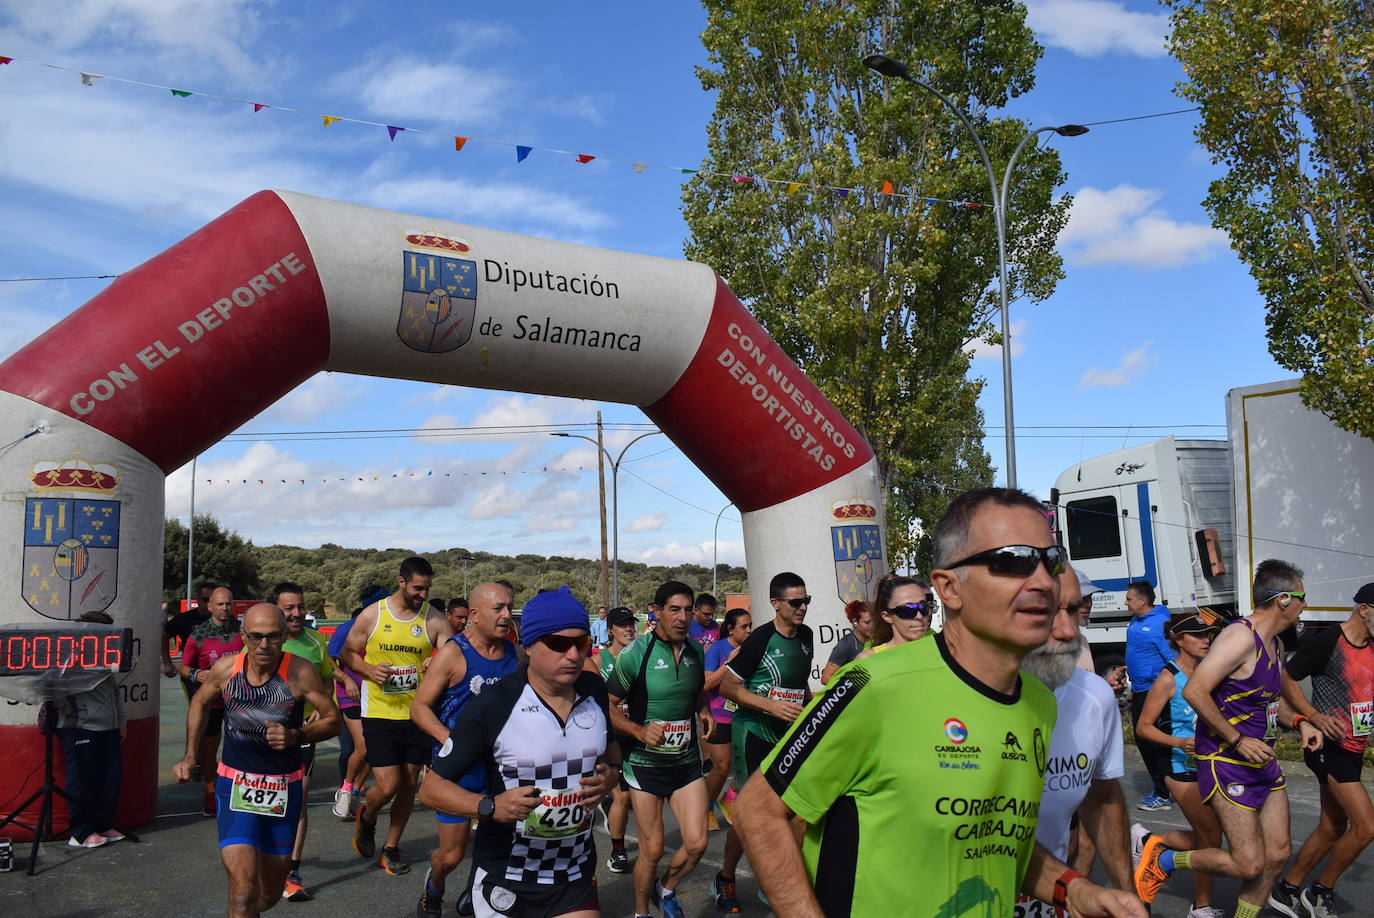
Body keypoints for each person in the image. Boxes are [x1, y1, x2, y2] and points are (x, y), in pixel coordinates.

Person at [731, 487, 1146, 918]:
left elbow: (1001, 842)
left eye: (1050, 560)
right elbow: (758, 811)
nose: (1042, 580)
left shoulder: (1040, 702)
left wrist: (1073, 890)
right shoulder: (875, 686)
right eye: (1012, 561)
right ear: (948, 589)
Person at [1134, 559, 1323, 918]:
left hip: (1261, 761)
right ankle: (1165, 858)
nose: (1305, 605)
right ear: (1283, 599)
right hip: (1227, 761)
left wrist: (1300, 722)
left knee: (1278, 853)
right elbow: (1196, 691)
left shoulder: (1276, 644)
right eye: (1302, 596)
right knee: (1249, 863)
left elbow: (1269, 704)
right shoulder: (1239, 636)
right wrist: (1237, 740)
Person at [417, 586, 617, 918]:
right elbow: (431, 789)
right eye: (557, 644)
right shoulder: (493, 706)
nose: (572, 654)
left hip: (574, 874)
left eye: (580, 643)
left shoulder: (593, 689)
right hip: (508, 876)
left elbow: (611, 751)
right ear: (529, 646)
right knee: (450, 854)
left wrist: (611, 774)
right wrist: (489, 806)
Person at [174, 603, 340, 918]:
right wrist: (190, 755)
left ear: (283, 637)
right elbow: (199, 701)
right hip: (235, 787)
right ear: (243, 635)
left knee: (269, 894)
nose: (264, 645)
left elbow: (334, 721)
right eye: (256, 637)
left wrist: (297, 735)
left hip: (282, 791)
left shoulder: (299, 671)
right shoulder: (227, 669)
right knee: (241, 891)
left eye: (273, 637)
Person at [1016, 567, 1134, 915]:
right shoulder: (916, 696)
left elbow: (1102, 796)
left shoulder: (1095, 697)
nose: (1069, 631)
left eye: (1073, 609)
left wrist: (1127, 895)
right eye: (1046, 611)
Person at [413, 582, 520, 918]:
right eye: (498, 608)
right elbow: (419, 709)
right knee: (452, 854)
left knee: (504, 846)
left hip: (501, 767)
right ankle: (435, 886)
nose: (506, 616)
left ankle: (479, 892)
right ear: (474, 615)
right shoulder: (453, 653)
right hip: (459, 772)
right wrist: (453, 744)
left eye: (509, 608)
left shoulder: (516, 656)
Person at [607, 581, 713, 918]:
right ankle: (641, 913)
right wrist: (638, 730)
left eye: (687, 610)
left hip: (685, 762)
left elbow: (696, 691)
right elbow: (606, 706)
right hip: (644, 765)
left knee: (697, 843)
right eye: (674, 610)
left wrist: (704, 710)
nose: (682, 617)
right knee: (651, 850)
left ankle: (665, 889)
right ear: (656, 612)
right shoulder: (636, 654)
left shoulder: (696, 651)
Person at [341, 556, 453, 875]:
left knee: (407, 783)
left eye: (427, 589)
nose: (423, 594)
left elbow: (450, 651)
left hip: (417, 713)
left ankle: (390, 847)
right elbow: (347, 652)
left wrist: (439, 661)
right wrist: (367, 669)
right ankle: (368, 814)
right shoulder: (374, 614)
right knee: (387, 785)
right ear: (401, 582)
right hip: (379, 709)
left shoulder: (434, 619)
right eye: (418, 588)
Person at [1269, 583, 1374, 918]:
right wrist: (1311, 717)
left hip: (1354, 746)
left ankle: (1286, 890)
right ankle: (1320, 890)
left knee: (1332, 827)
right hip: (1327, 745)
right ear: (1364, 609)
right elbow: (1288, 676)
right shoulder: (1331, 640)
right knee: (1367, 826)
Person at [716, 572, 814, 911]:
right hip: (754, 733)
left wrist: (811, 709)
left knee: (797, 811)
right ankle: (726, 877)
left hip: (787, 735)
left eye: (806, 601)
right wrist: (770, 705)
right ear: (775, 603)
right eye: (795, 602)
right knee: (748, 815)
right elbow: (727, 688)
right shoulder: (760, 639)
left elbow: (798, 685)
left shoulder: (806, 636)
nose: (803, 608)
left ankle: (777, 881)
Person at [1133, 613, 1224, 918]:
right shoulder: (1168, 677)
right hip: (1177, 765)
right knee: (1211, 836)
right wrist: (1178, 743)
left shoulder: (1211, 673)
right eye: (1198, 636)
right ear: (1179, 640)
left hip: (1210, 764)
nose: (1206, 641)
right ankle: (1201, 907)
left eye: (1208, 635)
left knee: (1212, 834)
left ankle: (1152, 844)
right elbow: (1143, 727)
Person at [275, 582, 341, 902]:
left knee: (298, 800)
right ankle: (266, 861)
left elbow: (327, 678)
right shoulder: (261, 641)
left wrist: (322, 708)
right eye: (289, 608)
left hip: (303, 733)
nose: (297, 613)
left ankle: (292, 872)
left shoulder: (315, 641)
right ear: (276, 609)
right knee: (266, 803)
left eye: (300, 607)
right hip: (264, 735)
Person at [57, 609, 127, 849]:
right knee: (83, 781)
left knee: (109, 779)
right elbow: (52, 683)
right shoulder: (71, 656)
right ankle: (80, 831)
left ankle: (102, 823)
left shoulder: (105, 655)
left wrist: (121, 720)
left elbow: (113, 691)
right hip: (80, 729)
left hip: (108, 728)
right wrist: (62, 704)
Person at [584, 605, 639, 874]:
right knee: (624, 798)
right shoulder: (597, 662)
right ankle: (617, 852)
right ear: (610, 630)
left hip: (636, 734)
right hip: (610, 738)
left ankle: (610, 805)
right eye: (622, 625)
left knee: (638, 799)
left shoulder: (641, 657)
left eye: (631, 624)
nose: (629, 629)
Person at [182, 586, 244, 817]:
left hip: (240, 701)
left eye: (228, 604)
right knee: (209, 749)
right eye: (219, 604)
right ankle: (210, 789)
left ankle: (241, 791)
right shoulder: (198, 635)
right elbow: (184, 667)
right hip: (211, 703)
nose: (225, 608)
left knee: (241, 745)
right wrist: (195, 675)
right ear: (210, 607)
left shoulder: (243, 631)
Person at [328, 586, 386, 820]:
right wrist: (345, 679)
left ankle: (355, 789)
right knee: (362, 747)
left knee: (377, 748)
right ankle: (346, 790)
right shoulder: (347, 629)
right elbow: (329, 661)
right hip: (350, 695)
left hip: (378, 697)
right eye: (381, 602)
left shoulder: (388, 629)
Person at [1125, 580, 1175, 810]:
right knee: (1144, 739)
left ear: (1142, 601)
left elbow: (1173, 659)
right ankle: (1164, 788)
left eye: (1129, 598)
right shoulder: (1137, 620)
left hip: (1154, 693)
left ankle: (1163, 793)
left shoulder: (1159, 624)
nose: (1125, 602)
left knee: (1153, 741)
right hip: (1139, 689)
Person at [703, 608, 751, 848]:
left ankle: (729, 799)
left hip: (743, 716)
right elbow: (706, 683)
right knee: (721, 767)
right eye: (744, 627)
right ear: (731, 628)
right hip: (718, 715)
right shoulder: (717, 649)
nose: (749, 630)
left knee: (752, 765)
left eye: (750, 626)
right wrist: (729, 664)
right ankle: (707, 808)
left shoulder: (752, 648)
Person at [854, 574, 935, 659]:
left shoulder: (941, 652)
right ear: (887, 616)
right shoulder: (868, 659)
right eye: (907, 609)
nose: (919, 616)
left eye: (924, 607)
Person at [163, 581, 213, 681]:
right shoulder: (184, 619)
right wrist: (167, 662)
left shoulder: (224, 620)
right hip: (193, 675)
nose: (209, 603)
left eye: (213, 600)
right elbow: (164, 634)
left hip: (219, 676)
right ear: (197, 600)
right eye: (205, 599)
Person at [819, 600, 872, 684]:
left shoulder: (878, 639)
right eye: (867, 622)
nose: (872, 626)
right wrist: (854, 684)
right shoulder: (845, 644)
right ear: (855, 622)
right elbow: (826, 678)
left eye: (875, 621)